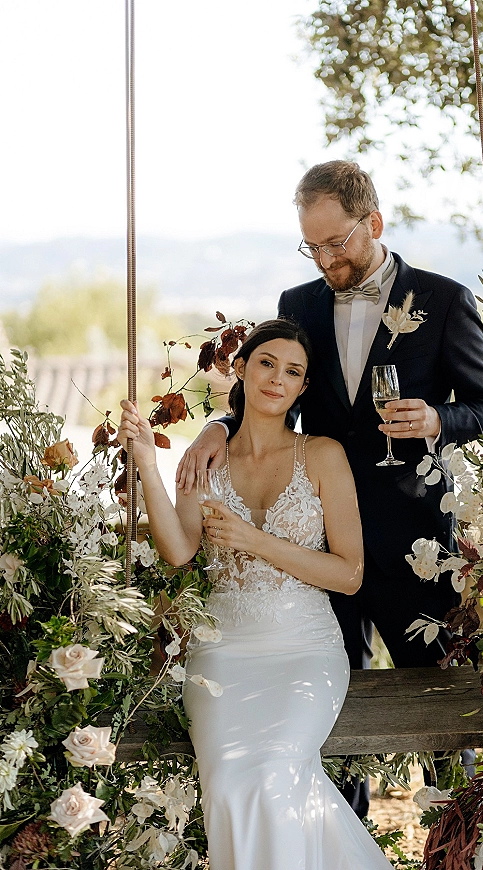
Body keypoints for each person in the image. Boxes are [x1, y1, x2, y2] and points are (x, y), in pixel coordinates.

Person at [176, 161, 483, 813]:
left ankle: (455, 838)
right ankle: (340, 834)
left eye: (336, 243)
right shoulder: (298, 306)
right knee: (325, 715)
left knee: (440, 713)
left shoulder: (443, 300)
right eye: (311, 246)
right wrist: (220, 424)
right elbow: (277, 400)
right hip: (321, 549)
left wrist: (439, 419)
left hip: (416, 549)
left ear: (373, 223)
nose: (324, 259)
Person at [118, 318, 394, 870]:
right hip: (222, 654)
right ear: (240, 369)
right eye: (266, 363)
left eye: (293, 372)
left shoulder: (323, 455)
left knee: (273, 773)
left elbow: (350, 574)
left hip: (304, 650)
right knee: (224, 783)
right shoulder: (206, 462)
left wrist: (254, 540)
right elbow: (179, 550)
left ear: (302, 388)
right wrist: (149, 464)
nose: (277, 379)